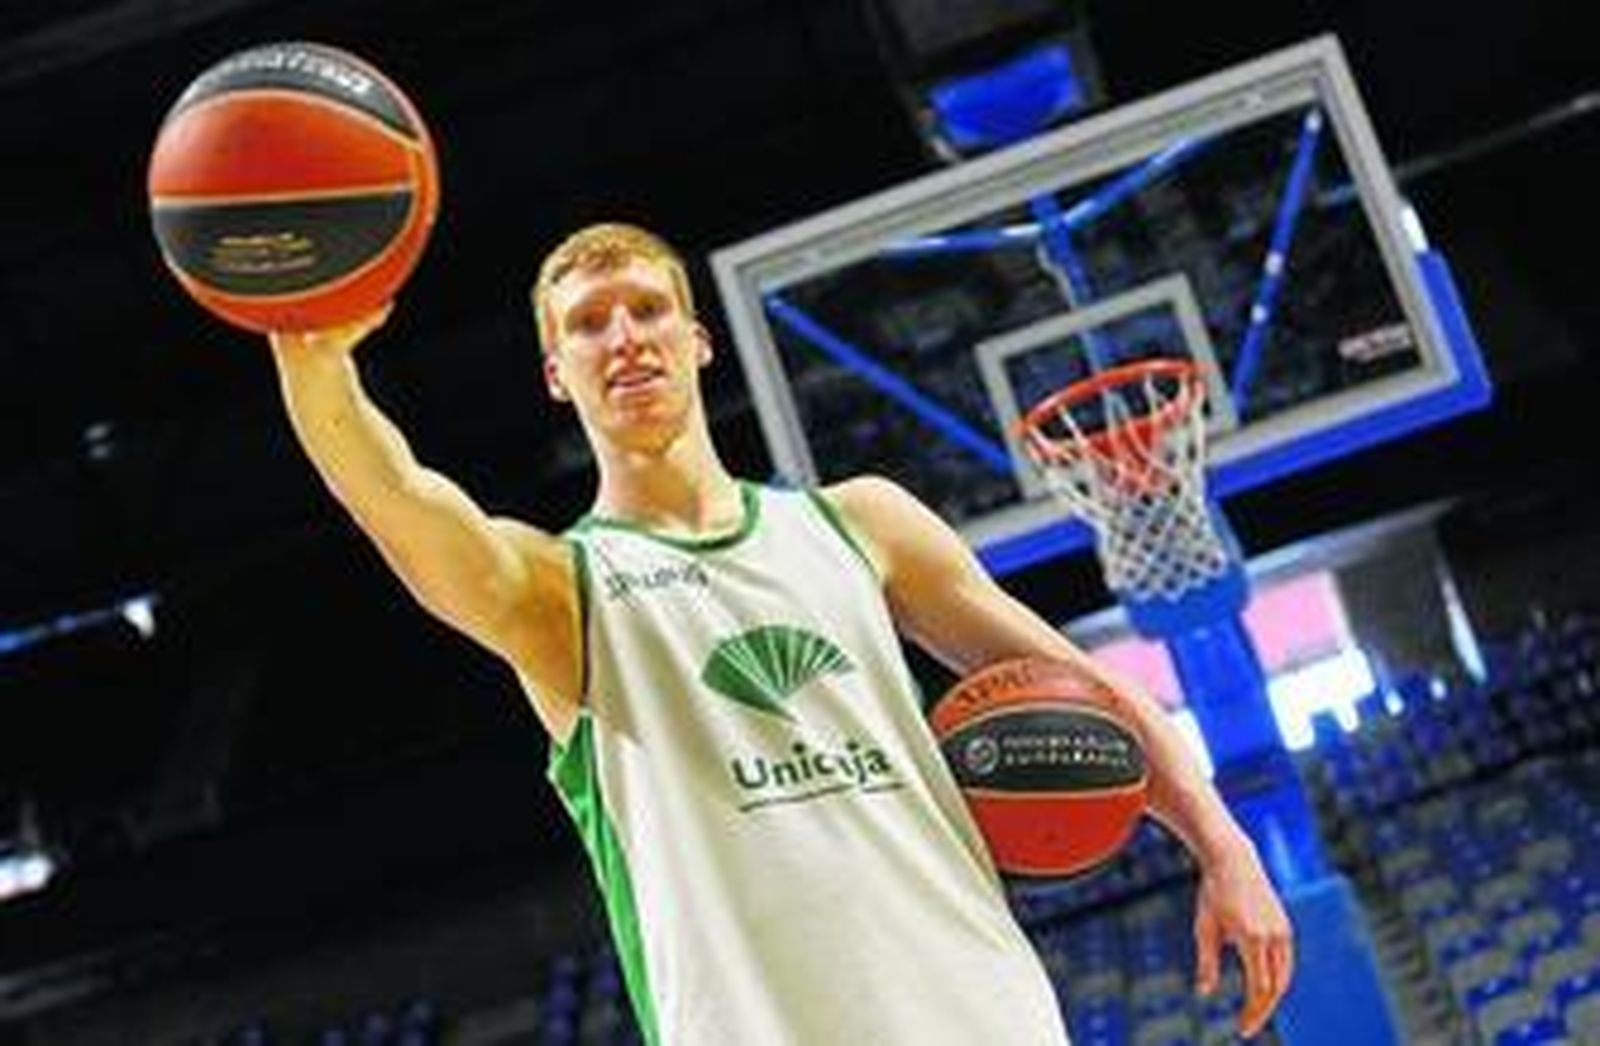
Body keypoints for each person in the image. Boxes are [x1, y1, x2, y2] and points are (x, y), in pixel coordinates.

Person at [268, 222, 1293, 1045]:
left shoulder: (861, 524)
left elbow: (1089, 692)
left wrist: (1220, 839)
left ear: (698, 341)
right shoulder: (560, 590)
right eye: (588, 323)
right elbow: (397, 498)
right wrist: (312, 363)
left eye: (648, 309)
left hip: (983, 1012)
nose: (624, 335)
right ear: (555, 373)